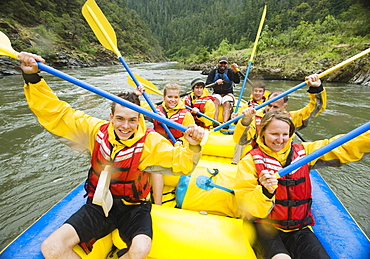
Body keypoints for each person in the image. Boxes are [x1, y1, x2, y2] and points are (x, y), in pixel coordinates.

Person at [18, 52, 206, 259]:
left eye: (132, 120)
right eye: (120, 119)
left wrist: (193, 145)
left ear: (140, 119)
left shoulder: (151, 142)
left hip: (134, 208)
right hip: (99, 205)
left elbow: (182, 163)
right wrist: (33, 78)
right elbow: (57, 112)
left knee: (141, 249)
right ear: (111, 117)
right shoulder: (94, 130)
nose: (125, 126)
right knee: (52, 247)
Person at [234, 110, 370, 259]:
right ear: (263, 133)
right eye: (274, 134)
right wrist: (265, 192)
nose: (280, 140)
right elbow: (246, 204)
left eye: (285, 134)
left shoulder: (305, 153)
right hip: (263, 227)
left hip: (298, 228)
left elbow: (343, 146)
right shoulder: (250, 162)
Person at [233, 74, 326, 150]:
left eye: (275, 107)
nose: (271, 109)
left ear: (284, 107)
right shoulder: (256, 117)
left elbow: (316, 108)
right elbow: (241, 140)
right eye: (269, 105)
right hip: (262, 157)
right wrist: (245, 121)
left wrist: (316, 88)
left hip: (284, 158)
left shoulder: (291, 118)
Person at [206, 56, 241, 124]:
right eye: (221, 63)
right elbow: (207, 84)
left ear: (227, 64)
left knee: (227, 103)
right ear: (218, 63)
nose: (223, 65)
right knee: (215, 102)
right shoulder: (213, 72)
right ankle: (215, 122)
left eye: (224, 63)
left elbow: (237, 81)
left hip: (228, 93)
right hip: (217, 93)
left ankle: (225, 123)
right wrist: (215, 83)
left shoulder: (230, 71)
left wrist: (235, 72)